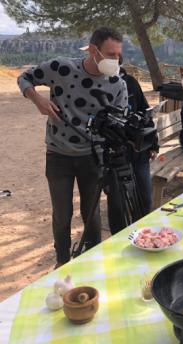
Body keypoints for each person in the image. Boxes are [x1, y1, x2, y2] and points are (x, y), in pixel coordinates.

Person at [17, 27, 128, 268]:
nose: (115, 60)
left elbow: (121, 122)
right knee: (62, 214)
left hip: (93, 157)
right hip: (58, 155)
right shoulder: (61, 68)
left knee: (92, 213)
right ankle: (62, 261)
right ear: (92, 50)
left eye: (118, 55)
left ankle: (92, 260)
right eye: (110, 54)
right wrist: (37, 99)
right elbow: (24, 78)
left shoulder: (118, 84)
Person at [105, 61, 159, 234]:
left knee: (145, 195)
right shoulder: (98, 84)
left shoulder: (131, 82)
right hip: (115, 154)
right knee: (117, 202)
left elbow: (145, 112)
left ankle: (143, 233)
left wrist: (153, 143)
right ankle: (119, 237)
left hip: (139, 151)